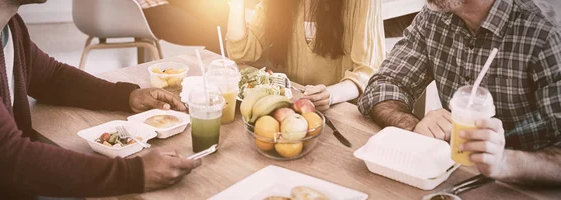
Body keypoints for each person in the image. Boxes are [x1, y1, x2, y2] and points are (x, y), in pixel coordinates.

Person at [0, 0, 201, 199]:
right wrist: (133, 174)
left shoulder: (7, 26)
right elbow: (8, 157)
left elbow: (51, 77)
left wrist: (126, 96)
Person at [359, 0, 561, 185]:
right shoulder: (434, 15)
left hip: (525, 188)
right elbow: (383, 85)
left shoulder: (547, 34)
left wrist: (505, 162)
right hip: (451, 178)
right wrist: (413, 127)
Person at [225, 0, 386, 111]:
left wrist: (330, 95)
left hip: (339, 112)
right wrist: (237, 4)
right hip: (286, 107)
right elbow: (241, 51)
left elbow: (368, 72)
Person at [137, 0, 229, 53]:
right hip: (147, 8)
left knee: (224, 14)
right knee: (218, 33)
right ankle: (211, 68)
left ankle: (213, 65)